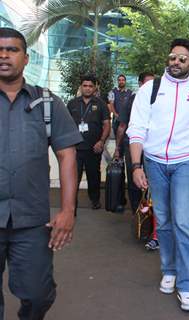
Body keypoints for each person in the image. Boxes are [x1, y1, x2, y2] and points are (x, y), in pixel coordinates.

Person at [127, 38, 189, 312]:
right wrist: (136, 166)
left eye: (182, 59)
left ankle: (187, 285)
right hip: (153, 163)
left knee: (183, 224)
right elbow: (136, 129)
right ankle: (169, 269)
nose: (175, 62)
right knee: (163, 221)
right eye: (172, 57)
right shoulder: (150, 90)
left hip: (185, 164)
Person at [0, 27, 83, 319]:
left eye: (12, 49)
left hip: (32, 221)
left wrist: (68, 210)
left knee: (38, 294)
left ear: (26, 58)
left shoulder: (46, 104)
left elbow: (67, 154)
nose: (4, 55)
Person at [67, 75, 111, 210]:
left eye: (90, 86)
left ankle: (95, 200)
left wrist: (101, 141)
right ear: (81, 86)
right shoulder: (72, 103)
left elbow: (106, 125)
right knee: (74, 177)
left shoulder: (101, 104)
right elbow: (65, 125)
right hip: (75, 148)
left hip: (94, 148)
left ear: (95, 87)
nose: (87, 88)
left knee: (94, 177)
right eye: (85, 85)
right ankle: (71, 203)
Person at [114, 72, 155, 211]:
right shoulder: (132, 100)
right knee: (134, 178)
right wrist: (117, 149)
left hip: (152, 147)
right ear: (140, 84)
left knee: (153, 178)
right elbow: (122, 126)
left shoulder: (160, 99)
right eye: (147, 82)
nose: (151, 86)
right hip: (132, 145)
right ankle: (136, 210)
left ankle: (150, 211)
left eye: (153, 83)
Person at [108, 74, 133, 140]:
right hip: (117, 119)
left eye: (123, 80)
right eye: (119, 80)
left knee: (127, 138)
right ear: (117, 81)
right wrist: (116, 115)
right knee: (117, 137)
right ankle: (117, 149)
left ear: (125, 81)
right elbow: (111, 104)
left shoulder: (131, 93)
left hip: (127, 120)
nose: (121, 81)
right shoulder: (112, 92)